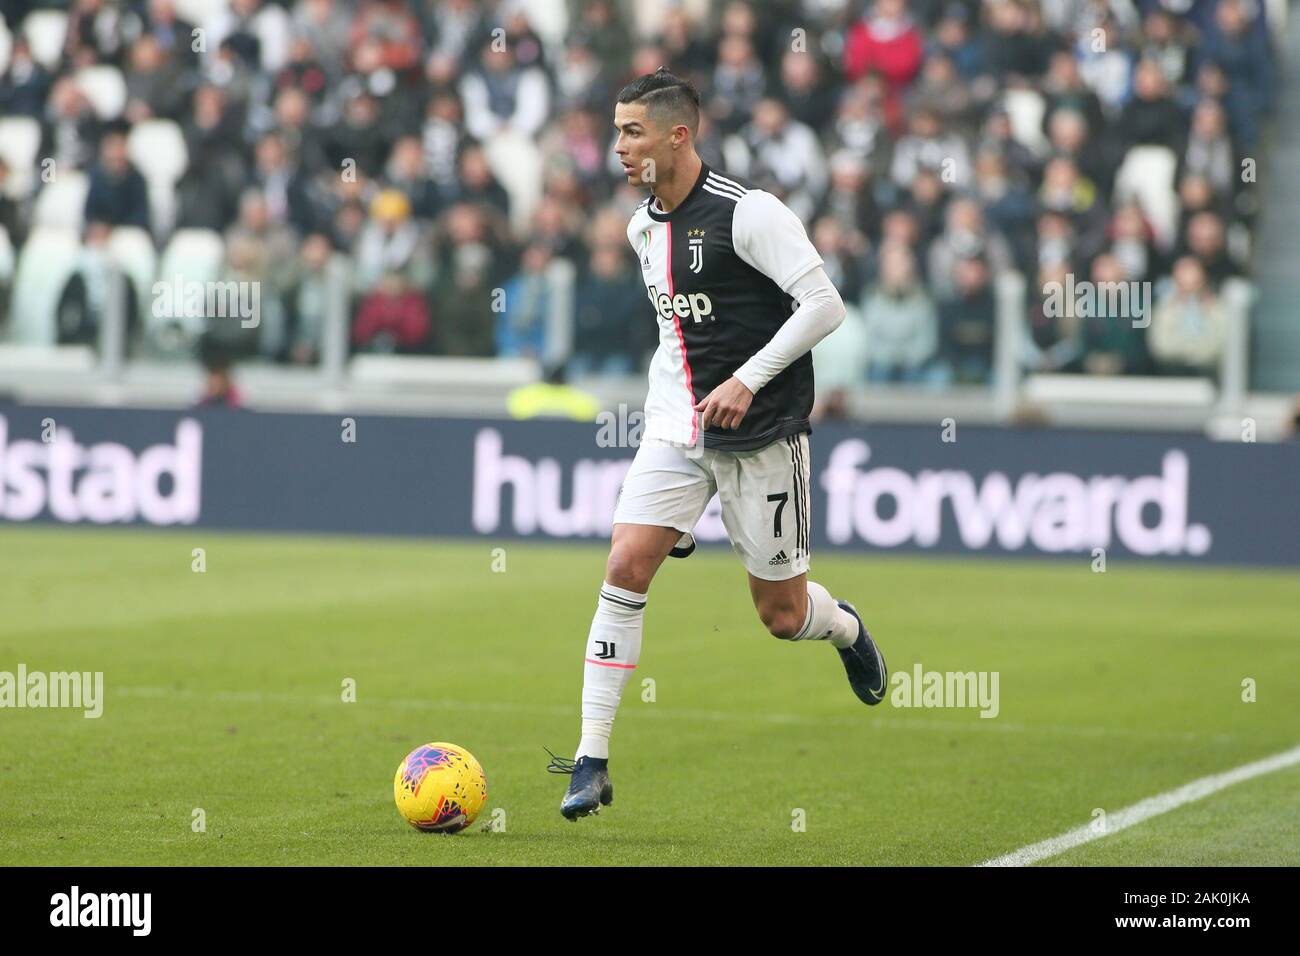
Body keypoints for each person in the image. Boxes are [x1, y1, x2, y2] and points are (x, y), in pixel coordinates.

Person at [550, 69, 887, 821]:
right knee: (624, 563)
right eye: (615, 131)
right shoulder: (642, 226)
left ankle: (845, 628)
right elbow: (678, 333)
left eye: (631, 131)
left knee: (781, 615)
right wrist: (674, 414)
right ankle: (591, 758)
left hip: (761, 434)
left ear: (679, 134)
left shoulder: (750, 213)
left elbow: (823, 305)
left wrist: (746, 379)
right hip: (676, 428)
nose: (618, 147)